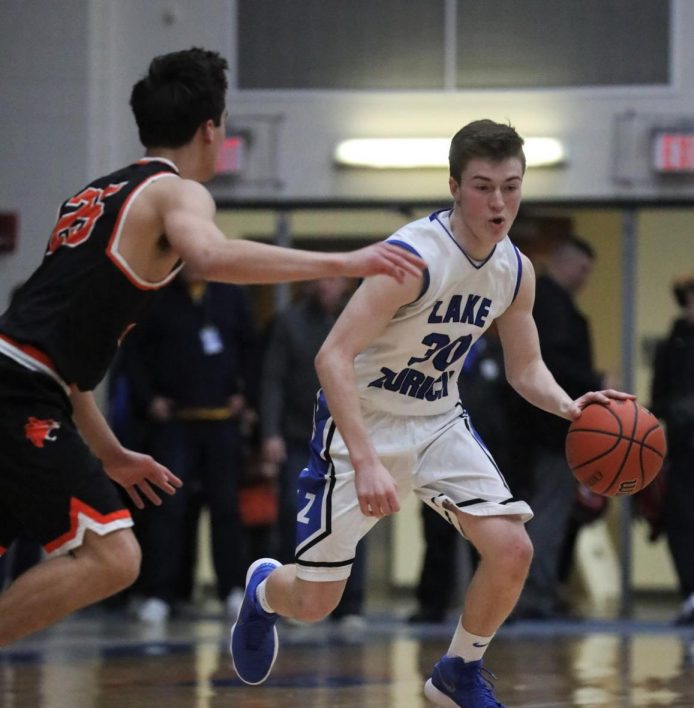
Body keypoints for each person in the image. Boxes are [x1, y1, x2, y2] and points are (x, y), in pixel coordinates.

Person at [0, 47, 425, 647]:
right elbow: (210, 256)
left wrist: (112, 452)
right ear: (211, 129)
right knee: (114, 558)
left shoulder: (93, 198)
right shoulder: (177, 194)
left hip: (27, 382)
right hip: (19, 391)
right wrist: (343, 258)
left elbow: (60, 365)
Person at [230, 119, 632, 708]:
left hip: (439, 420)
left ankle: (459, 669)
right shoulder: (411, 260)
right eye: (482, 187)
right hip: (361, 422)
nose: (499, 203)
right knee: (316, 601)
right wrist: (365, 460)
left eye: (511, 187)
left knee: (511, 547)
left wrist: (573, 407)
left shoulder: (516, 271)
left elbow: (527, 370)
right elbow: (330, 358)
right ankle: (263, 590)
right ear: (453, 186)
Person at [119, 269, 258, 623]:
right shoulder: (156, 296)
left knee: (226, 509)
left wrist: (247, 396)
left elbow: (250, 349)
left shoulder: (230, 295)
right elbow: (133, 354)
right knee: (168, 510)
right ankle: (159, 594)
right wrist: (149, 399)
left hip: (221, 422)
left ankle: (232, 590)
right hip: (175, 423)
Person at [260, 276, 367, 627]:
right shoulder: (289, 322)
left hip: (346, 438)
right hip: (298, 436)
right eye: (323, 280)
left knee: (355, 517)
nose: (330, 287)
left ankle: (351, 606)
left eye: (335, 282)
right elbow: (272, 379)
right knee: (296, 511)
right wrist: (270, 432)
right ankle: (295, 596)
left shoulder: (362, 317)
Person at [512, 237, 606, 620]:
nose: (585, 278)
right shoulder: (548, 306)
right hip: (547, 428)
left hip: (546, 426)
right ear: (564, 263)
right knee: (546, 513)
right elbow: (547, 364)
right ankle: (535, 594)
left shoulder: (548, 304)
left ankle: (542, 589)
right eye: (582, 269)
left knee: (550, 512)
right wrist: (594, 380)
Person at [409, 328, 522, 624]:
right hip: (440, 461)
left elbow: (512, 414)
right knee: (436, 538)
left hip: (488, 463)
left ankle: (495, 609)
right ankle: (431, 605)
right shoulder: (438, 357)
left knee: (488, 540)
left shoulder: (498, 356)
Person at [650, 274, 694, 625]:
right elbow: (657, 399)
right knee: (680, 523)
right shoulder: (670, 346)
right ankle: (689, 594)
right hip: (682, 448)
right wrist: (677, 407)